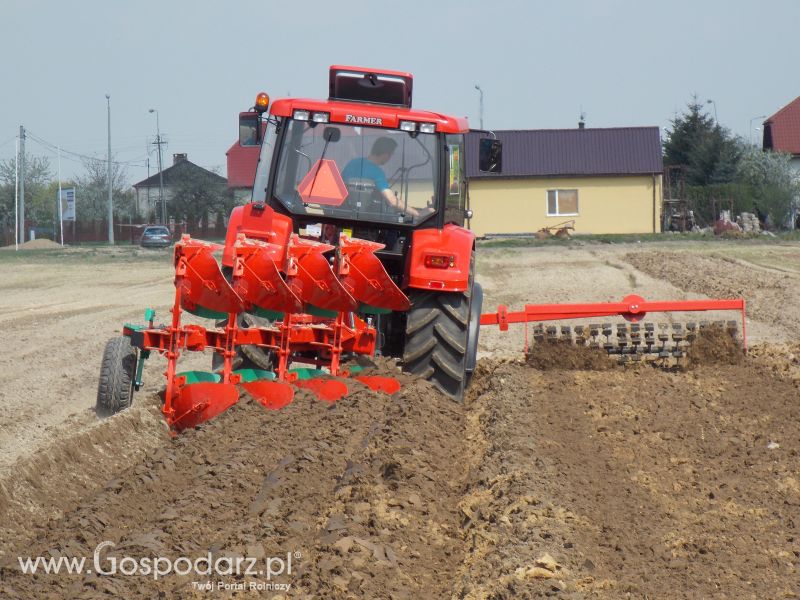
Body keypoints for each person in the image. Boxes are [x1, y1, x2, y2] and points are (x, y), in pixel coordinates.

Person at [342, 137, 422, 218]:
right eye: (391, 155)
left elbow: (340, 187)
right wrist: (417, 213)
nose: (390, 158)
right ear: (386, 155)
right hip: (366, 218)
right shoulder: (377, 172)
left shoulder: (352, 163)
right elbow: (392, 201)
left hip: (344, 214)